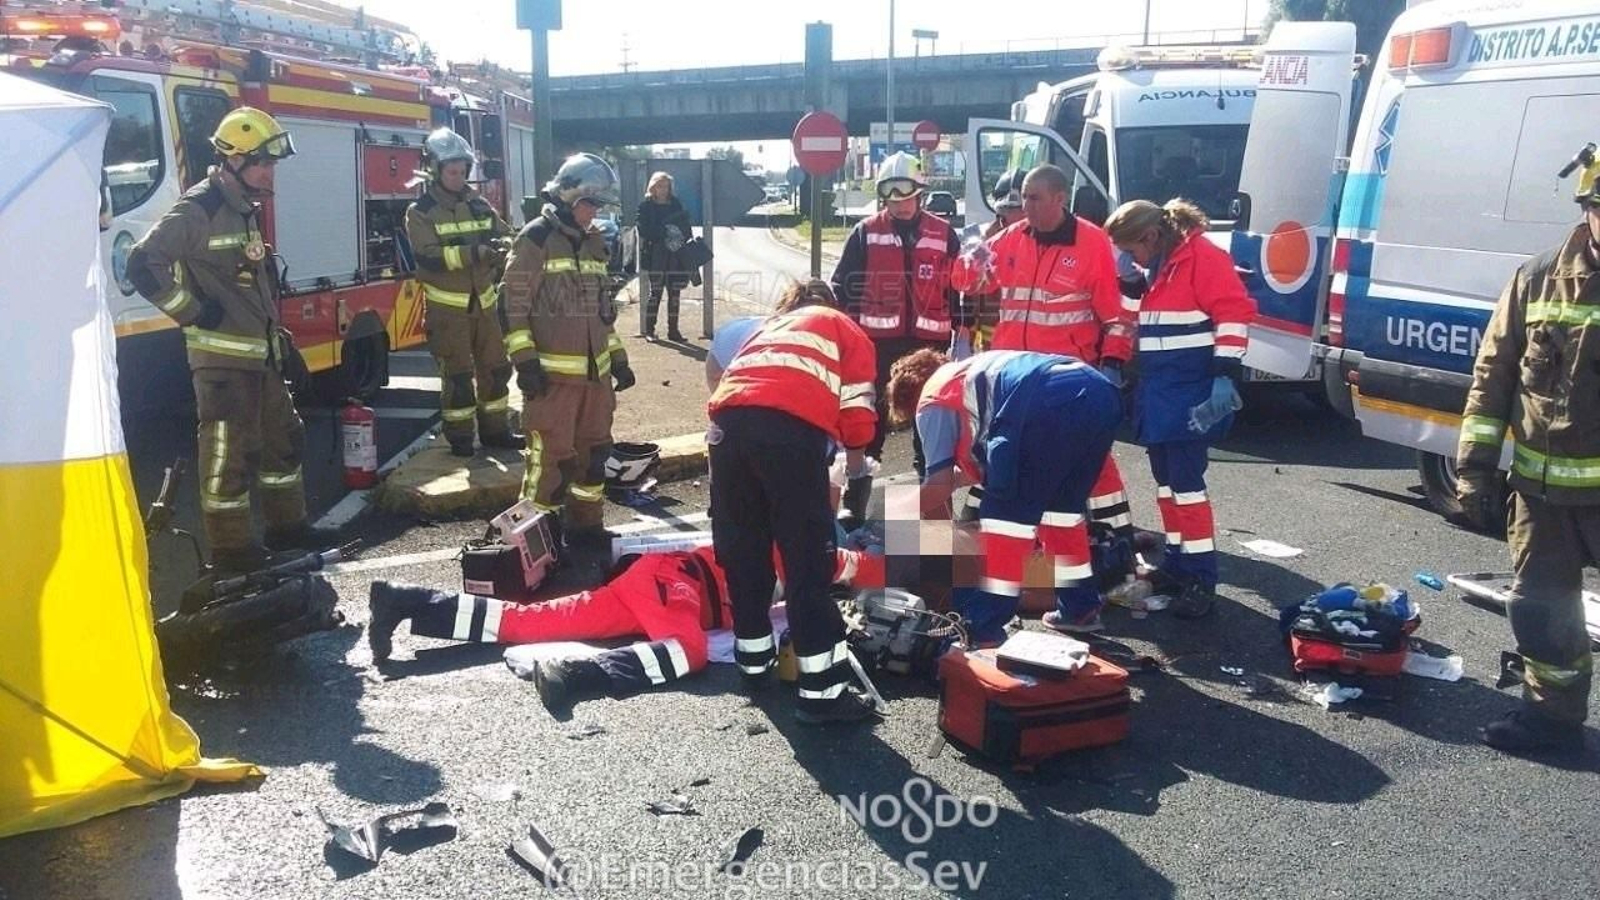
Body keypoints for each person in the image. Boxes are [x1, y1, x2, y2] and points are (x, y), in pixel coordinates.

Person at [126, 107, 337, 573]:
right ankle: (232, 551)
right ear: (236, 160)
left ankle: (287, 529)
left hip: (259, 358)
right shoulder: (199, 209)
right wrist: (195, 312)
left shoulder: (243, 211)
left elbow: (251, 287)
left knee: (283, 441)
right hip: (222, 364)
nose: (271, 170)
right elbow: (143, 266)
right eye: (263, 161)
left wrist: (280, 341)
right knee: (228, 456)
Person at [1455, 148, 1600, 755]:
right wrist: (1474, 470)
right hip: (1543, 498)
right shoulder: (1537, 278)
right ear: (1588, 208)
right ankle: (1552, 720)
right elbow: (1493, 378)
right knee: (1541, 612)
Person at [365, 542, 884, 709]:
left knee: (531, 624)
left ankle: (407, 601)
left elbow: (858, 568)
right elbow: (857, 565)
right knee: (690, 650)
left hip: (652, 584)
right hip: (676, 582)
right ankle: (578, 676)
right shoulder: (801, 547)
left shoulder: (797, 544)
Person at [706, 280, 880, 724]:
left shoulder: (769, 329)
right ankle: (823, 695)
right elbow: (858, 414)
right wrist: (855, 458)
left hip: (726, 429)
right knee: (807, 561)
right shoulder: (844, 328)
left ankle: (753, 665)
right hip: (785, 432)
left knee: (745, 549)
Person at [953, 164, 1138, 557]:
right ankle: (1000, 535)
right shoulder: (1010, 239)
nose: (1025, 205)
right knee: (1007, 451)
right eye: (1022, 197)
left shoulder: (1093, 244)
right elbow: (966, 284)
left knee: (1090, 458)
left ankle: (1115, 538)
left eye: (1034, 197)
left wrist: (1113, 363)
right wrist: (971, 256)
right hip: (1013, 374)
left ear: (1060, 198)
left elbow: (1117, 316)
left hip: (1064, 377)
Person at [886, 348, 1123, 642]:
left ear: (909, 398)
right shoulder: (972, 374)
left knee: (1005, 518)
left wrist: (893, 513)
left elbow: (939, 481)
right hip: (1097, 391)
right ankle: (1080, 609)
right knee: (1060, 513)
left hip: (1044, 400)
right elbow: (961, 475)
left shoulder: (932, 398)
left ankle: (984, 626)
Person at [1104, 198, 1255, 618]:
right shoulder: (1159, 264)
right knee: (1168, 485)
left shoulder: (1202, 258)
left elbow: (1234, 313)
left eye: (1131, 249)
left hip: (1190, 389)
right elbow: (1135, 318)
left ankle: (1201, 578)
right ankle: (1178, 563)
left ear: (1151, 236)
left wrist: (1226, 372)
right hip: (1159, 390)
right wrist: (1130, 290)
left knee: (1187, 487)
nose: (1128, 258)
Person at [501, 153, 636, 549]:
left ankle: (586, 530)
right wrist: (524, 363)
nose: (594, 214)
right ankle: (531, 545)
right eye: (589, 204)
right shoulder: (537, 238)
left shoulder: (594, 243)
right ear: (567, 195)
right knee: (550, 467)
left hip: (595, 383)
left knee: (593, 459)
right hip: (553, 382)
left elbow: (601, 317)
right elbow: (511, 305)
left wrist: (619, 358)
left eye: (598, 206)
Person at [829, 151, 961, 520]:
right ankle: (854, 510)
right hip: (875, 348)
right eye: (894, 199)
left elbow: (958, 289)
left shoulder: (943, 234)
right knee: (867, 427)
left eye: (908, 198)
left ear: (920, 193)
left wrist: (961, 335)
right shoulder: (866, 232)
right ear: (884, 196)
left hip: (927, 350)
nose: (901, 206)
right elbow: (842, 286)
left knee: (930, 431)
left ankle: (933, 516)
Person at [404, 128, 519, 457]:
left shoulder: (479, 204)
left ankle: (496, 432)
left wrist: (502, 247)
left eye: (462, 171)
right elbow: (429, 257)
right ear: (434, 171)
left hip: (485, 305)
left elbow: (506, 235)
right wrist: (476, 253)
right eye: (451, 171)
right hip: (447, 311)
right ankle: (461, 439)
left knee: (497, 370)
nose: (458, 177)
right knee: (458, 378)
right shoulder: (421, 211)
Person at [956, 168, 1026, 354]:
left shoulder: (1048, 244)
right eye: (1008, 212)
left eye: (1020, 212)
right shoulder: (981, 243)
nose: (1016, 223)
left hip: (1034, 344)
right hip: (991, 347)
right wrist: (965, 340)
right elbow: (968, 292)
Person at [635, 171, 695, 341]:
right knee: (656, 293)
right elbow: (643, 229)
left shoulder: (676, 204)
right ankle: (650, 331)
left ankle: (674, 331)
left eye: (666, 186)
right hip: (656, 254)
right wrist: (664, 231)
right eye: (660, 186)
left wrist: (678, 233)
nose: (663, 190)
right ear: (653, 187)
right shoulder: (646, 206)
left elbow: (686, 227)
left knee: (675, 293)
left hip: (676, 254)